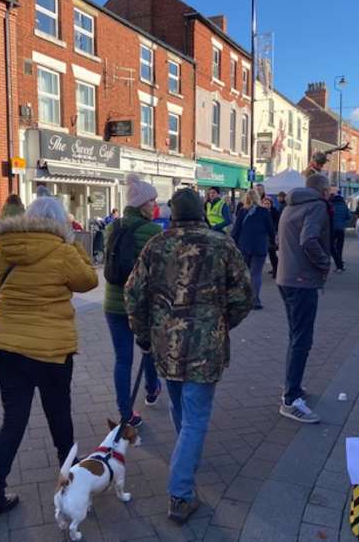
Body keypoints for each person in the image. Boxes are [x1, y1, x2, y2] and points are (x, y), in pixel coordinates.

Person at [124, 188, 253, 524]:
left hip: (166, 344)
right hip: (203, 347)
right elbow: (243, 295)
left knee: (180, 405)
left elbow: (133, 293)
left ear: (173, 214)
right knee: (194, 418)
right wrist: (221, 324)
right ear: (201, 212)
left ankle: (186, 458)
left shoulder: (156, 246)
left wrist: (143, 333)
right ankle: (180, 494)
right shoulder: (221, 244)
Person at [0, 196, 98, 521]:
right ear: (60, 222)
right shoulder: (62, 250)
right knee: (59, 414)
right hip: (50, 350)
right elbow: (89, 280)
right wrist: (74, 242)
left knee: (13, 420)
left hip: (4, 346)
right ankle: (72, 481)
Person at [104, 174, 163, 427]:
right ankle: (151, 389)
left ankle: (126, 413)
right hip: (141, 304)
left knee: (122, 359)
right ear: (141, 204)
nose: (155, 206)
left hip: (113, 303)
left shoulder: (112, 227)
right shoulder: (153, 231)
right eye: (151, 202)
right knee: (148, 348)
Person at [276, 173, 331, 423]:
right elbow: (309, 239)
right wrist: (324, 263)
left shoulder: (290, 205)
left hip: (285, 278)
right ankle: (290, 400)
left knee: (295, 336)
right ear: (324, 190)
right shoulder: (317, 206)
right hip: (302, 280)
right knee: (302, 339)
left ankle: (293, 387)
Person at [231, 190, 275, 309]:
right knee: (256, 274)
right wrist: (273, 241)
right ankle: (255, 300)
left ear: (246, 199)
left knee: (245, 273)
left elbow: (236, 230)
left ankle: (244, 299)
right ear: (258, 198)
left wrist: (232, 243)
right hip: (260, 247)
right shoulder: (264, 211)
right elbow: (271, 229)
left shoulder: (242, 212)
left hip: (244, 247)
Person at [329, 191, 351, 273]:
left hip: (333, 229)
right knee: (339, 246)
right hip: (341, 229)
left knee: (331, 247)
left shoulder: (331, 205)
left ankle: (339, 264)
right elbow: (348, 216)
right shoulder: (344, 206)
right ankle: (340, 261)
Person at [262, 196, 280, 278]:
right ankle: (274, 268)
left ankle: (276, 270)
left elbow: (277, 222)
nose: (266, 205)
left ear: (271, 204)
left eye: (268, 203)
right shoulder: (261, 212)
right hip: (263, 235)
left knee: (272, 254)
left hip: (272, 234)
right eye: (265, 203)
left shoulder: (274, 212)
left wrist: (274, 231)